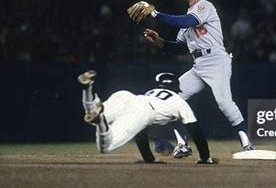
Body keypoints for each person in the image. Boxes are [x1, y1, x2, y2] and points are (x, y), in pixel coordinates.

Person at [127, 0, 255, 157]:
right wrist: (160, 41)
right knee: (171, 99)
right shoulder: (188, 16)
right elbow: (180, 48)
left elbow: (187, 21)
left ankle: (247, 143)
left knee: (224, 103)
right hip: (199, 64)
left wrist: (154, 12)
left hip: (217, 60)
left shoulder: (205, 6)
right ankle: (182, 144)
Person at [78, 70, 215, 164]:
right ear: (176, 88)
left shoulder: (151, 92)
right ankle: (100, 120)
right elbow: (196, 133)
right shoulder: (180, 102)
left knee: (91, 115)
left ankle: (87, 87)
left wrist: (149, 159)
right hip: (142, 109)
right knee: (105, 146)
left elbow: (140, 131)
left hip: (126, 96)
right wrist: (205, 158)